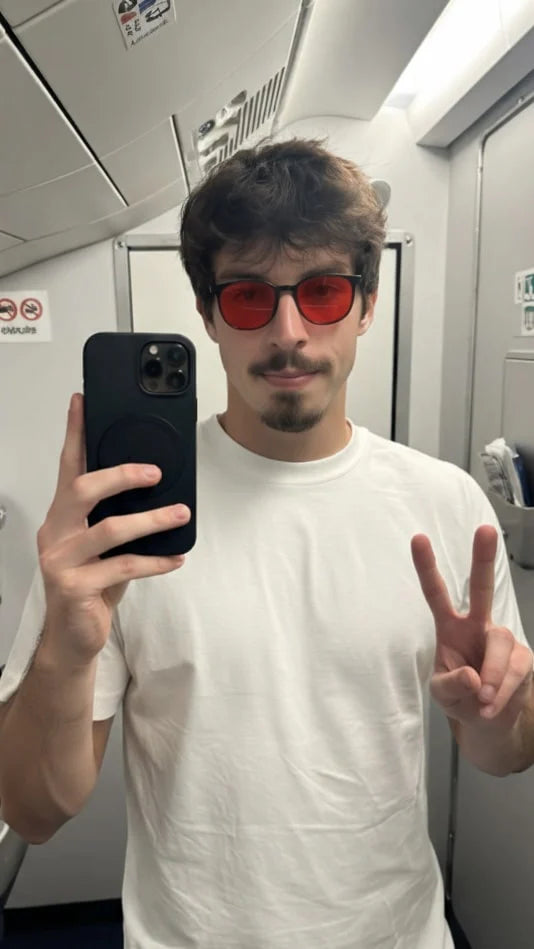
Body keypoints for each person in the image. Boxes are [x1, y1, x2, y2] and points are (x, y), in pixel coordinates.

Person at [0, 139, 533, 949]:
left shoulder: (445, 504)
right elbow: (34, 811)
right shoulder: (120, 522)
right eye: (250, 296)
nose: (289, 333)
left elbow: (506, 754)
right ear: (209, 313)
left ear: (366, 304)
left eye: (322, 291)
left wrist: (495, 714)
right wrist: (63, 656)